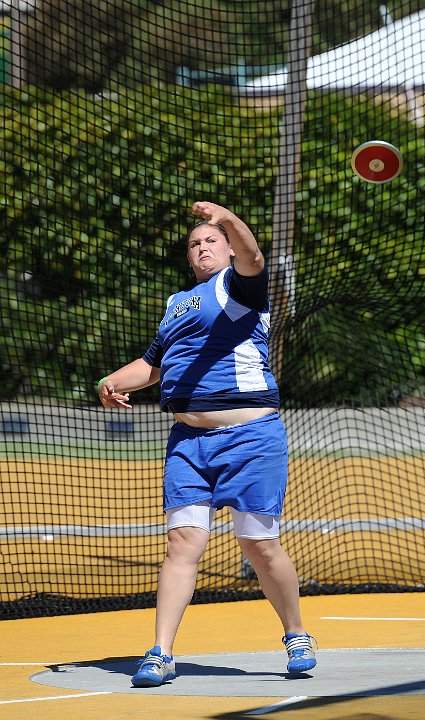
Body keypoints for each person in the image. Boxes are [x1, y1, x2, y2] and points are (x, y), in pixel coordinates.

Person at [97, 201, 316, 688]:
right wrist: (111, 381)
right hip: (188, 442)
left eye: (211, 240)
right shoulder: (178, 303)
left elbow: (254, 255)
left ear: (227, 247)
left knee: (257, 544)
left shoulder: (239, 288)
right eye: (195, 243)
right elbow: (152, 366)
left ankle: (296, 633)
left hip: (250, 437)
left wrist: (227, 218)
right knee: (182, 545)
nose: (202, 247)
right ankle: (161, 653)